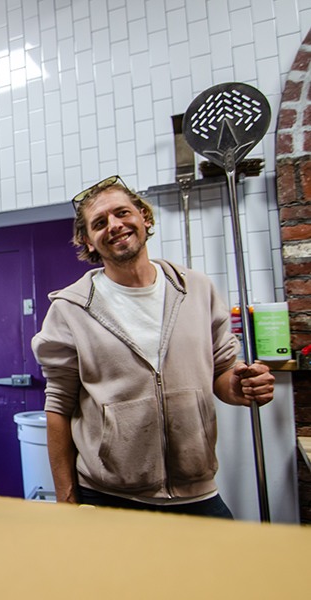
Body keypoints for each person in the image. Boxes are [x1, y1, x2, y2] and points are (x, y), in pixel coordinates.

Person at [31, 175, 275, 518]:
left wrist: (237, 386)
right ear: (88, 241)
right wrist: (66, 498)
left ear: (144, 217)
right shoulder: (71, 309)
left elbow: (222, 370)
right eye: (99, 223)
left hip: (196, 490)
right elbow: (58, 405)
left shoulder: (196, 289)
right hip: (109, 496)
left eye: (122, 213)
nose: (114, 225)